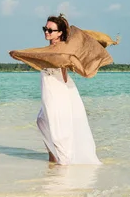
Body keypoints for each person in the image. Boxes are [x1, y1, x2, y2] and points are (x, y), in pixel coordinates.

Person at [36, 14, 101, 165]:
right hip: (49, 87)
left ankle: (64, 164)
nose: (46, 32)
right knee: (42, 121)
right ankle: (53, 158)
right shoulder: (50, 48)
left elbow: (68, 69)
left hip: (56, 88)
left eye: (51, 30)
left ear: (60, 33)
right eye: (45, 29)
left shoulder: (62, 49)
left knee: (57, 127)